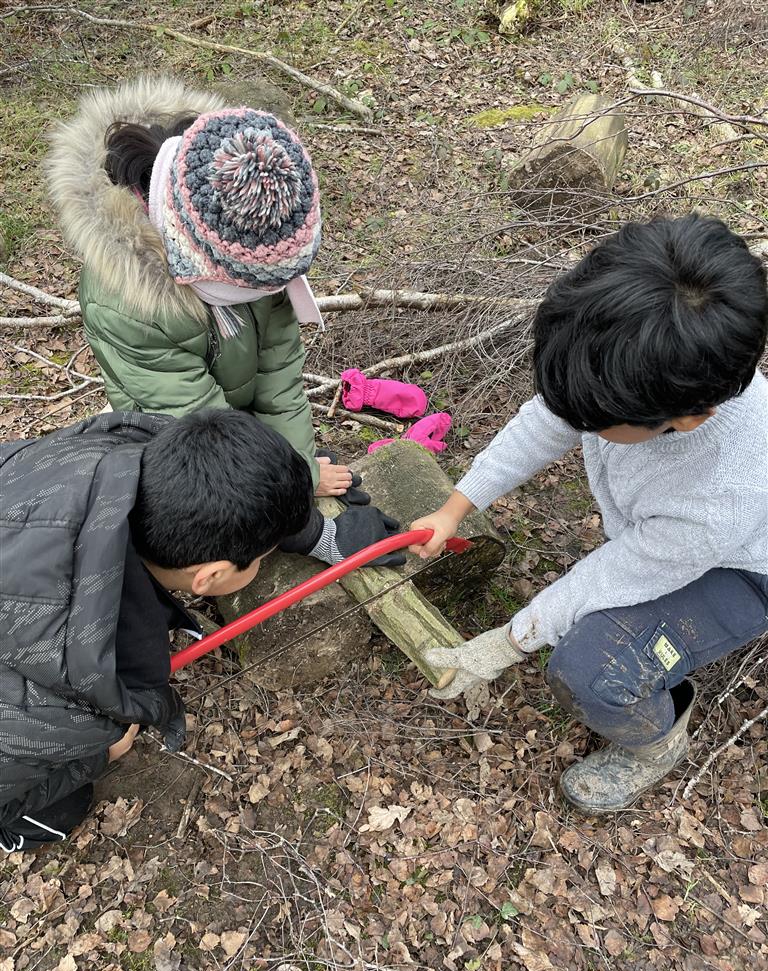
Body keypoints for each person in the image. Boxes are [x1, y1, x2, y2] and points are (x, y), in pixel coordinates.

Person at [410, 214, 768, 813]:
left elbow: (619, 572)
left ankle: (658, 742)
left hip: (743, 568)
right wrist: (455, 506)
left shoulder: (719, 496)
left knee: (589, 670)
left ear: (688, 418)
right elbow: (549, 418)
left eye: (594, 422)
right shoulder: (637, 364)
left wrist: (509, 640)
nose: (579, 426)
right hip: (666, 539)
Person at [46, 76, 405, 568]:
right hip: (180, 442)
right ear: (187, 254)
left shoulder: (254, 230)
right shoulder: (129, 304)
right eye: (250, 288)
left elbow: (278, 374)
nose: (271, 296)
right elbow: (204, 430)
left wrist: (296, 472)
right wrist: (305, 525)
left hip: (229, 409)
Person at [0, 408, 314, 851]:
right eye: (264, 555)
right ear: (208, 577)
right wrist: (96, 758)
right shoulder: (66, 708)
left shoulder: (103, 452)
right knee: (60, 809)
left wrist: (311, 528)